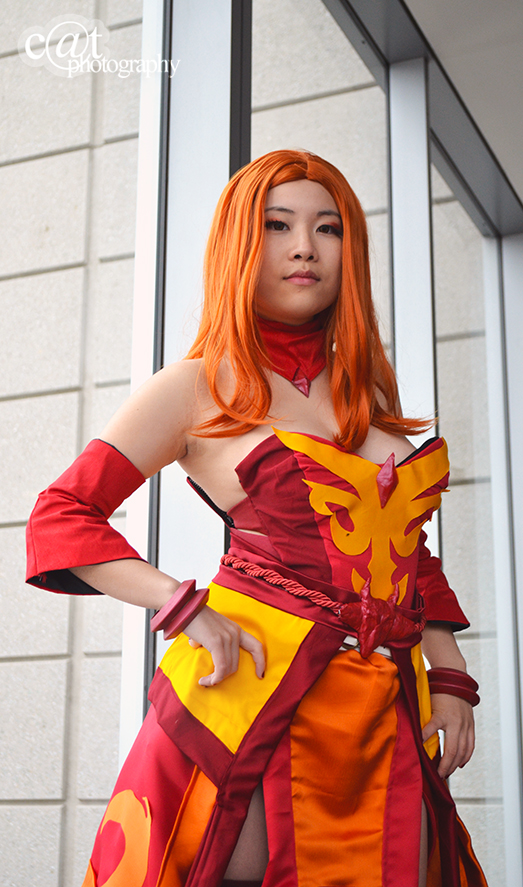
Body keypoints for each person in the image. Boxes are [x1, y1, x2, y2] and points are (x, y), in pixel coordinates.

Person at [26, 149, 487, 887]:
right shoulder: (194, 387)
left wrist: (452, 672)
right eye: (277, 225)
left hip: (385, 706)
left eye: (328, 228)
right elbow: (62, 515)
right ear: (239, 243)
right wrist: (181, 606)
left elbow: (408, 553)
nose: (304, 247)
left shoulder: (366, 396)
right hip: (252, 697)